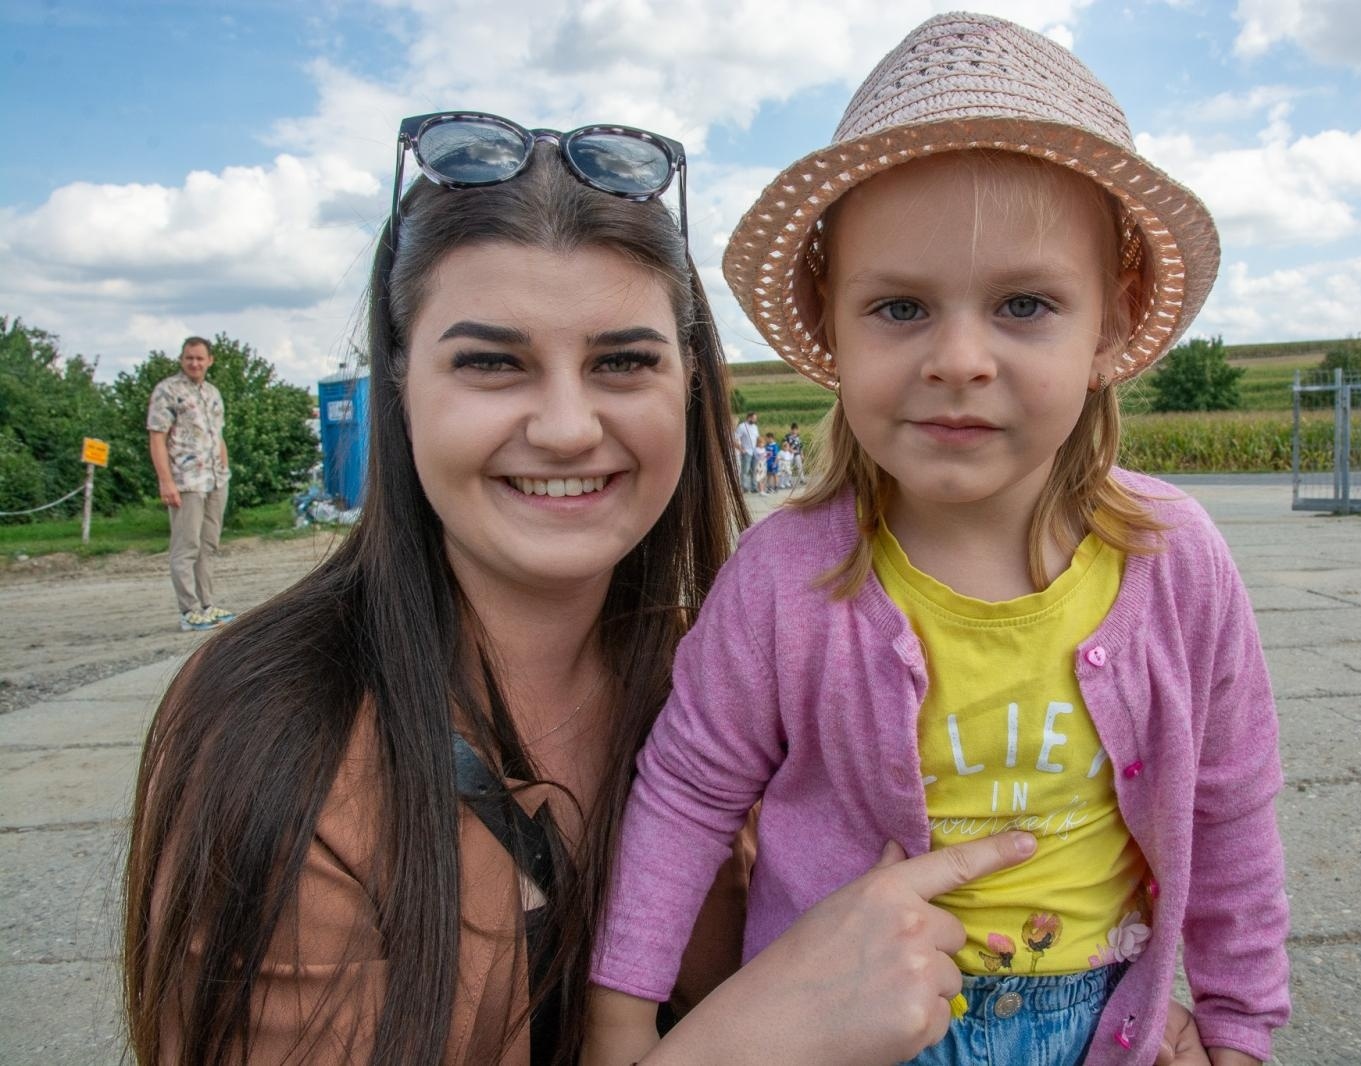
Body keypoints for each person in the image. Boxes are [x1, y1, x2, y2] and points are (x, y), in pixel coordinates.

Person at [122, 111, 1048, 1066]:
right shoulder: (280, 727)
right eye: (490, 363)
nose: (567, 427)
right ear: (400, 384)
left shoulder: (728, 674)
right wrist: (749, 1041)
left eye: (621, 362)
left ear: (690, 385)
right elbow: (803, 1008)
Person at [587, 14, 1289, 1066]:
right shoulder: (786, 579)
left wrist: (1238, 1026)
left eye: (1022, 303)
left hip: (1102, 1024)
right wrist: (619, 1022)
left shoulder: (1174, 562)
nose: (959, 358)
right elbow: (687, 792)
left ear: (1111, 319)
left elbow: (1229, 805)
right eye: (901, 306)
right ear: (833, 324)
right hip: (844, 1028)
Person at [146, 336, 235, 632]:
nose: (194, 363)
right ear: (182, 360)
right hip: (187, 481)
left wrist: (224, 467)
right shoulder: (168, 391)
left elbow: (217, 435)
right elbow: (157, 435)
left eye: (200, 358)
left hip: (214, 480)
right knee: (186, 546)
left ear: (210, 360)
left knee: (208, 544)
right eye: (189, 358)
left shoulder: (212, 392)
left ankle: (207, 604)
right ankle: (189, 610)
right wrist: (165, 481)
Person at [735, 411, 762, 493]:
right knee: (745, 470)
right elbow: (736, 438)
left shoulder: (755, 427)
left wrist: (759, 449)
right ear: (749, 417)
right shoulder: (742, 426)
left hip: (754, 451)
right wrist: (741, 448)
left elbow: (757, 438)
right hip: (746, 451)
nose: (755, 420)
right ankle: (745, 487)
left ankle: (754, 487)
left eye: (755, 419)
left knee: (754, 470)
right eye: (754, 418)